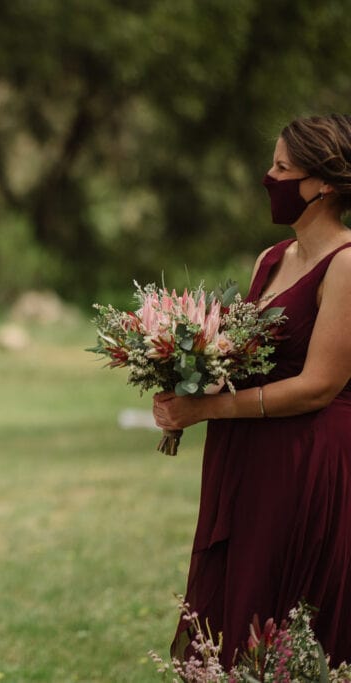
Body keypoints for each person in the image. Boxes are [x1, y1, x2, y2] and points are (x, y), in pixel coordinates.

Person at [153, 114, 351, 667]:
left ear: (324, 184)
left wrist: (207, 408)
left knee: (286, 614)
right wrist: (181, 375)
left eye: (283, 168)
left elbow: (318, 386)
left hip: (306, 459)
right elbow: (245, 358)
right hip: (246, 457)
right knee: (236, 604)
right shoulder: (272, 260)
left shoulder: (348, 266)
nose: (269, 177)